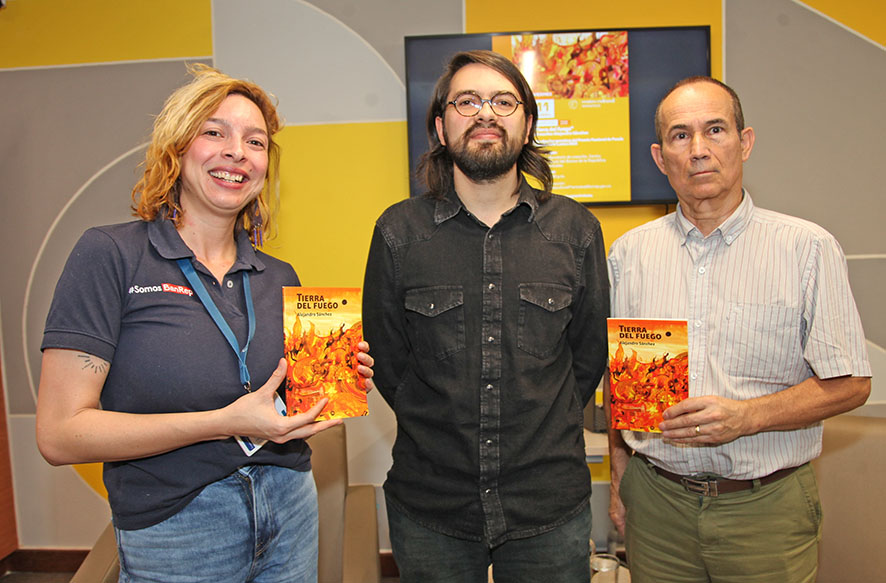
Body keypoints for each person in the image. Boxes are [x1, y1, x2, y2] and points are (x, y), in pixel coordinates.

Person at [36, 64, 374, 583]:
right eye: (214, 132)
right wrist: (224, 421)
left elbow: (275, 402)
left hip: (290, 505)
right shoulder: (110, 255)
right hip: (178, 522)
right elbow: (61, 435)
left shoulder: (278, 275)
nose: (238, 151)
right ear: (176, 148)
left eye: (255, 141)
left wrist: (333, 381)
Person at [606, 76, 871, 583]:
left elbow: (852, 383)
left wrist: (748, 416)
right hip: (657, 504)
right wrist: (620, 478)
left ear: (744, 142)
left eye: (715, 130)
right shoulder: (629, 254)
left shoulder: (807, 249)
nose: (699, 150)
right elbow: (623, 380)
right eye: (681, 136)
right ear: (661, 158)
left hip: (764, 509)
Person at [363, 50, 609, 582]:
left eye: (503, 101)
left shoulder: (576, 231)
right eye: (466, 101)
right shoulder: (398, 233)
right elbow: (388, 360)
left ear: (527, 124)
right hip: (433, 506)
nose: (485, 114)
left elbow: (587, 359)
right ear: (439, 125)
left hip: (547, 507)